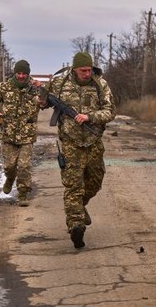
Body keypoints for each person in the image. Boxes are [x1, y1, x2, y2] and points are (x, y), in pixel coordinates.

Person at [43, 52, 115, 249]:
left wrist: (89, 116)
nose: (87, 73)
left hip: (93, 142)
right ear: (74, 69)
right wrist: (40, 95)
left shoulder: (100, 84)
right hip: (70, 143)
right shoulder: (59, 84)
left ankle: (79, 209)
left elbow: (110, 112)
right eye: (83, 70)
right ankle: (76, 225)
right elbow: (42, 103)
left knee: (95, 182)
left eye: (89, 69)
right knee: (73, 186)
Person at [0, 60, 41, 206]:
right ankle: (10, 178)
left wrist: (42, 88)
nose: (22, 76)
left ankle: (23, 194)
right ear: (15, 73)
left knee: (24, 166)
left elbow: (46, 101)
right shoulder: (5, 87)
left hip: (27, 134)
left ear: (28, 74)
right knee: (9, 166)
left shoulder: (35, 88)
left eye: (24, 73)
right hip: (8, 133)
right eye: (19, 73)